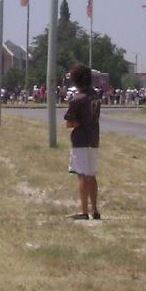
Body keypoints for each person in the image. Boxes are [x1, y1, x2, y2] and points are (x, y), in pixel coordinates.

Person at [63, 63, 101, 221]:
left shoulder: (77, 99)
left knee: (82, 175)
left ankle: (83, 211)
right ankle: (95, 210)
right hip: (93, 137)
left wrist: (75, 123)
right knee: (91, 175)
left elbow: (69, 122)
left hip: (81, 140)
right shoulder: (95, 95)